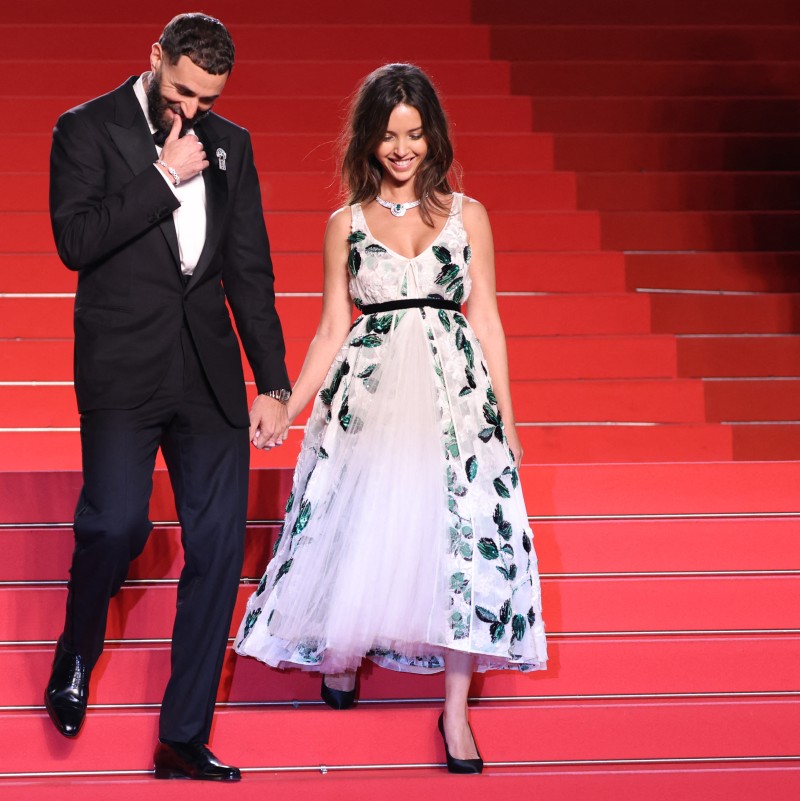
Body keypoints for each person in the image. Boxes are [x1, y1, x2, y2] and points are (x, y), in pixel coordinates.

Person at [235, 63, 548, 775]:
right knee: (361, 518)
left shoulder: (468, 215)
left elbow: (488, 320)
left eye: (414, 134)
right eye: (388, 136)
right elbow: (330, 329)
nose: (402, 149)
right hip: (369, 393)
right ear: (367, 141)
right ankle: (343, 651)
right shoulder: (344, 225)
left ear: (433, 135)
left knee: (460, 537)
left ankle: (455, 711)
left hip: (455, 397)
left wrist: (508, 420)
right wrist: (288, 403)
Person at [44, 13, 291, 782]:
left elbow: (248, 266)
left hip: (207, 371)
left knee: (217, 547)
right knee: (114, 523)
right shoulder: (86, 129)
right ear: (155, 58)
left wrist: (273, 381)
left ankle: (184, 735)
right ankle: (76, 649)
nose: (193, 109)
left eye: (208, 99)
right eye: (182, 91)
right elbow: (75, 240)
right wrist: (161, 177)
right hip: (123, 366)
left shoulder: (232, 145)